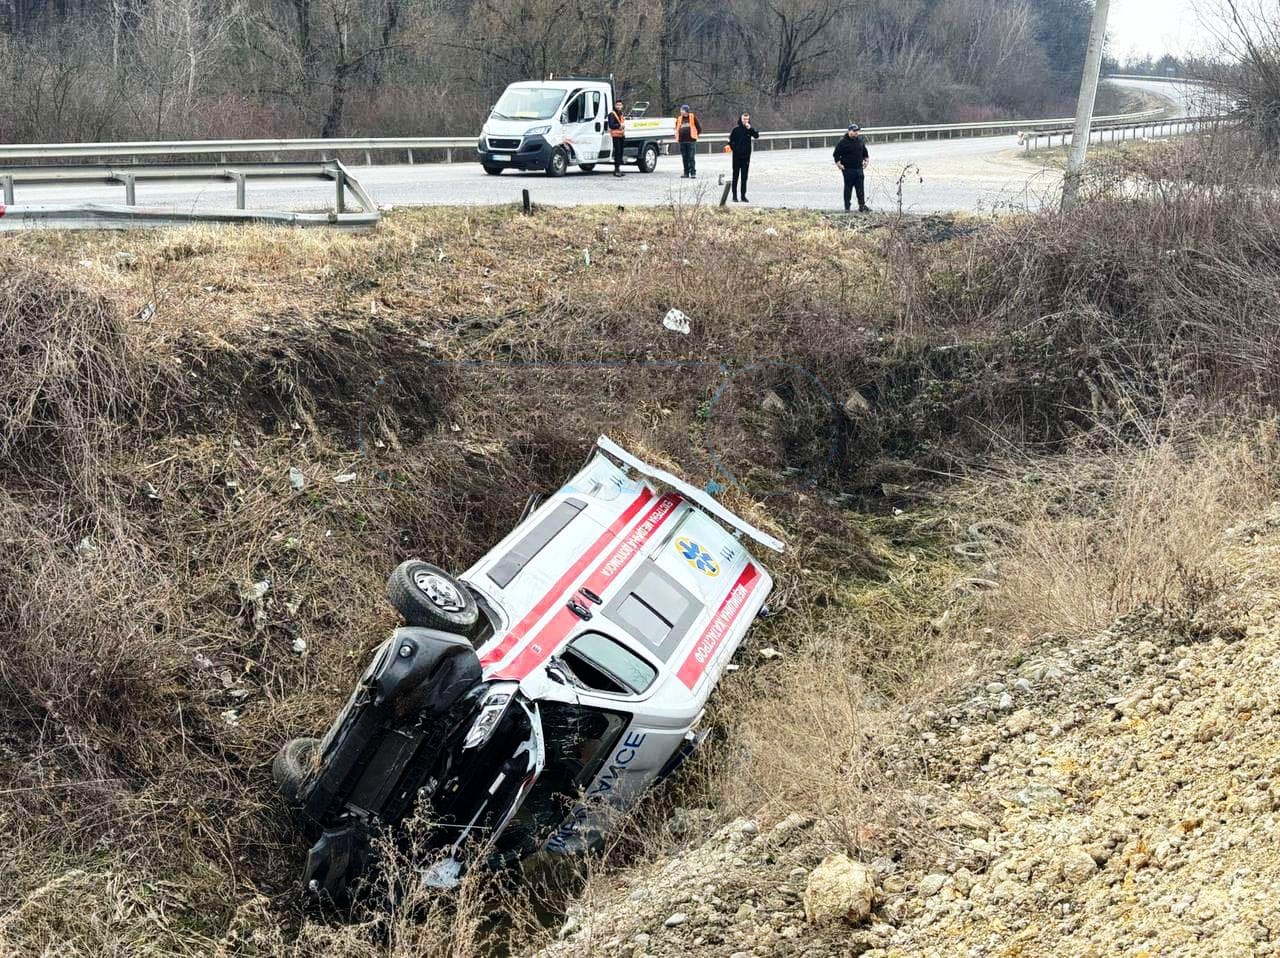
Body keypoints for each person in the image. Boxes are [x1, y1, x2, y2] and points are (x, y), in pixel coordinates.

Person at [833, 123, 870, 212]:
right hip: (848, 169)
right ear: (849, 131)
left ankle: (862, 205)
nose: (856, 133)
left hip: (859, 168)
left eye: (857, 131)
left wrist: (866, 160)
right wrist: (839, 165)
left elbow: (865, 152)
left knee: (860, 188)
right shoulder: (842, 142)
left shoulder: (860, 141)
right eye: (854, 131)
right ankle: (847, 207)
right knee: (848, 189)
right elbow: (836, 154)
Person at [728, 111, 759, 202]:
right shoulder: (735, 130)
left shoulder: (749, 129)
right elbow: (730, 142)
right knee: (735, 176)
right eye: (744, 119)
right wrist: (735, 149)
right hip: (737, 157)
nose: (745, 121)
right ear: (741, 119)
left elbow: (756, 136)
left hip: (746, 157)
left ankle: (743, 195)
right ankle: (734, 196)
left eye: (747, 119)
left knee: (744, 177)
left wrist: (751, 129)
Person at [674, 104, 702, 178]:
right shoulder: (679, 118)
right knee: (684, 157)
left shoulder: (692, 117)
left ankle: (693, 173)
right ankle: (686, 173)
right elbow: (677, 128)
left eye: (682, 110)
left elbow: (699, 128)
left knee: (691, 157)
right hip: (682, 141)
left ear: (686, 111)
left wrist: (695, 135)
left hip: (691, 141)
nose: (680, 111)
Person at [607, 100, 626, 177]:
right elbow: (611, 125)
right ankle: (616, 170)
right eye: (617, 105)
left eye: (620, 105)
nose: (619, 106)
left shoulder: (621, 114)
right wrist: (619, 126)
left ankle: (619, 169)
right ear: (615, 106)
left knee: (620, 152)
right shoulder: (612, 114)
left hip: (621, 135)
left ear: (622, 106)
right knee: (617, 152)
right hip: (615, 136)